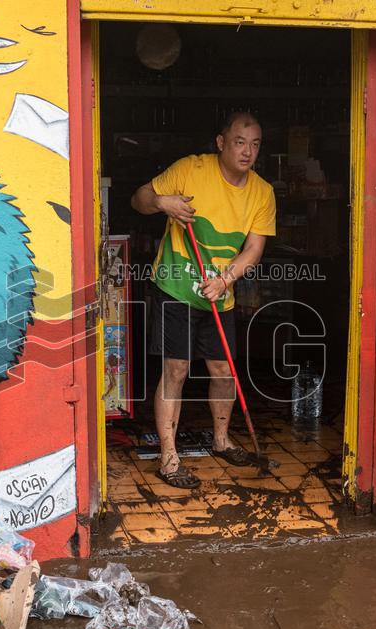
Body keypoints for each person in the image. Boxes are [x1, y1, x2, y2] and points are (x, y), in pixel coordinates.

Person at [130, 111, 276, 489]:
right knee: (176, 370)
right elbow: (138, 199)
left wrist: (225, 280)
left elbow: (254, 248)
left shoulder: (262, 192)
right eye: (240, 142)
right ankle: (169, 457)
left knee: (223, 371)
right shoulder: (190, 170)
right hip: (175, 286)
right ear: (221, 142)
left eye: (255, 144)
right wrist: (163, 202)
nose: (247, 152)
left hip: (219, 292)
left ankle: (222, 440)